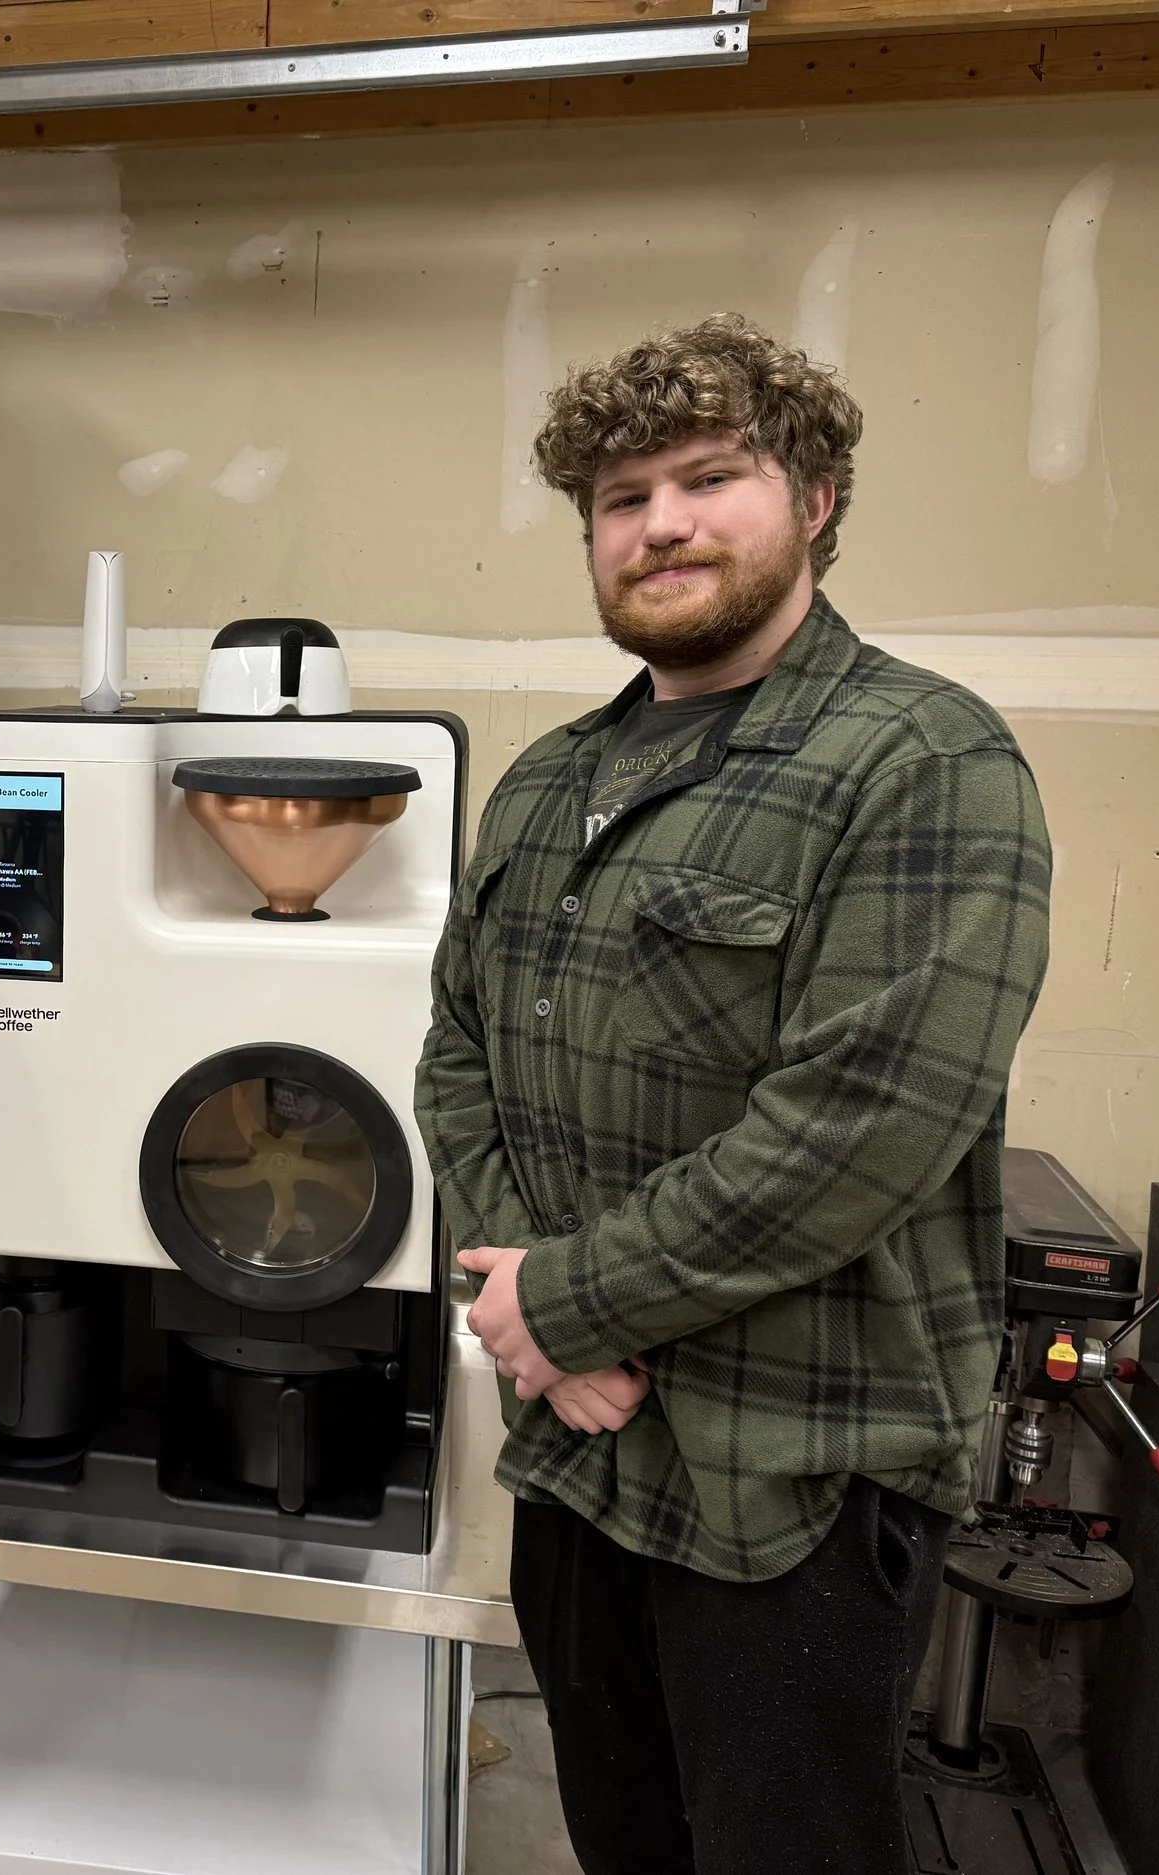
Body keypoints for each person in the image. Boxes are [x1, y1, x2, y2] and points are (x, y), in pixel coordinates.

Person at [415, 314, 1053, 1875]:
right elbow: (459, 1057)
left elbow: (855, 1132)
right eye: (623, 500)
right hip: (579, 1450)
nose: (665, 525)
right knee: (620, 1839)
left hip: (798, 1482)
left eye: (712, 477)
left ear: (816, 500)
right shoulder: (552, 780)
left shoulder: (924, 760)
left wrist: (570, 1301)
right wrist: (533, 1319)